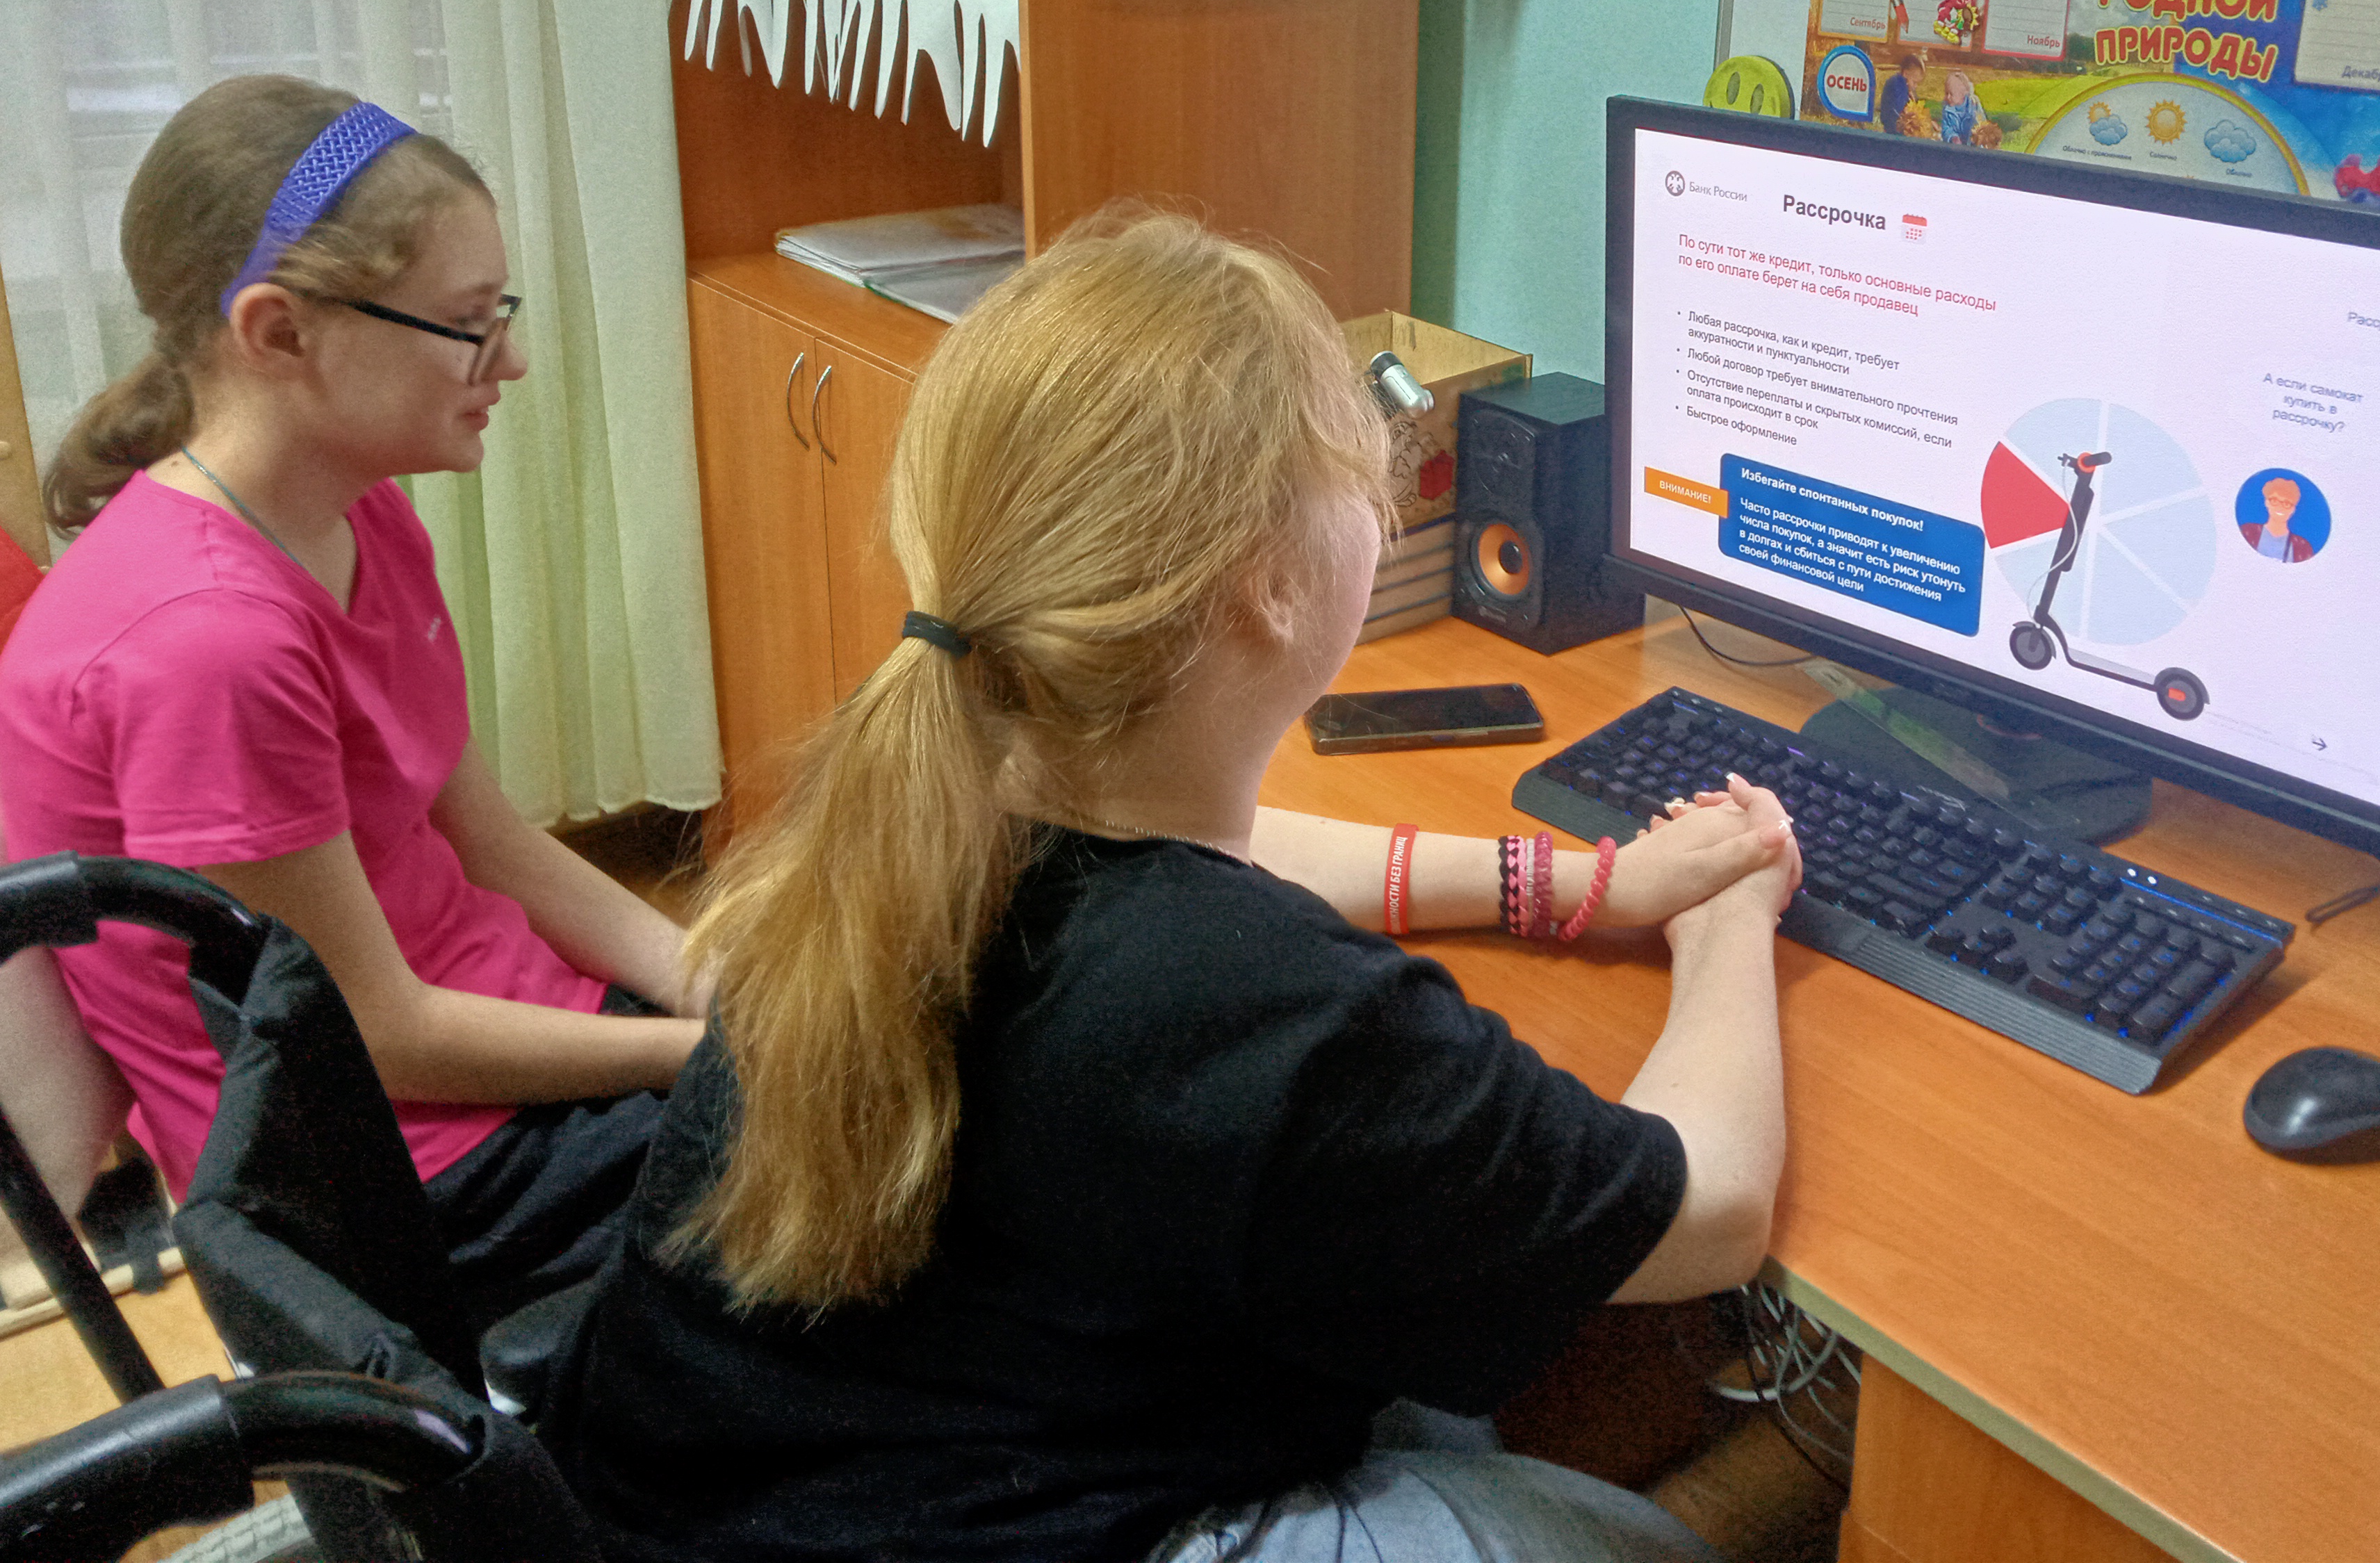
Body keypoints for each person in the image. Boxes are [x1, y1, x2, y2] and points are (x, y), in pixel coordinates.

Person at [548, 211, 1802, 1563]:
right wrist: (1728, 916)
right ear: (1270, 585)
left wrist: (1573, 882)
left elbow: (1227, 869)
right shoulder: (1273, 1013)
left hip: (677, 1502)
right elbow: (1713, 1212)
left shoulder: (911, 808)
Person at [0, 76, 705, 1325]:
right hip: (394, 1172)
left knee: (893, 1087)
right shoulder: (206, 645)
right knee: (902, 1197)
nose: (510, 361)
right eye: (468, 323)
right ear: (278, 332)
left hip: (480, 1054)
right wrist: (698, 1054)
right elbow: (374, 1034)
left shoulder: (360, 512)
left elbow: (489, 843)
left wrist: (706, 979)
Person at [2238, 473, 2315, 563]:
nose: (2280, 507)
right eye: (2274, 501)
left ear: (2293, 509)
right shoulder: (2248, 532)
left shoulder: (2303, 547)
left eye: (2286, 504)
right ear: (2267, 502)